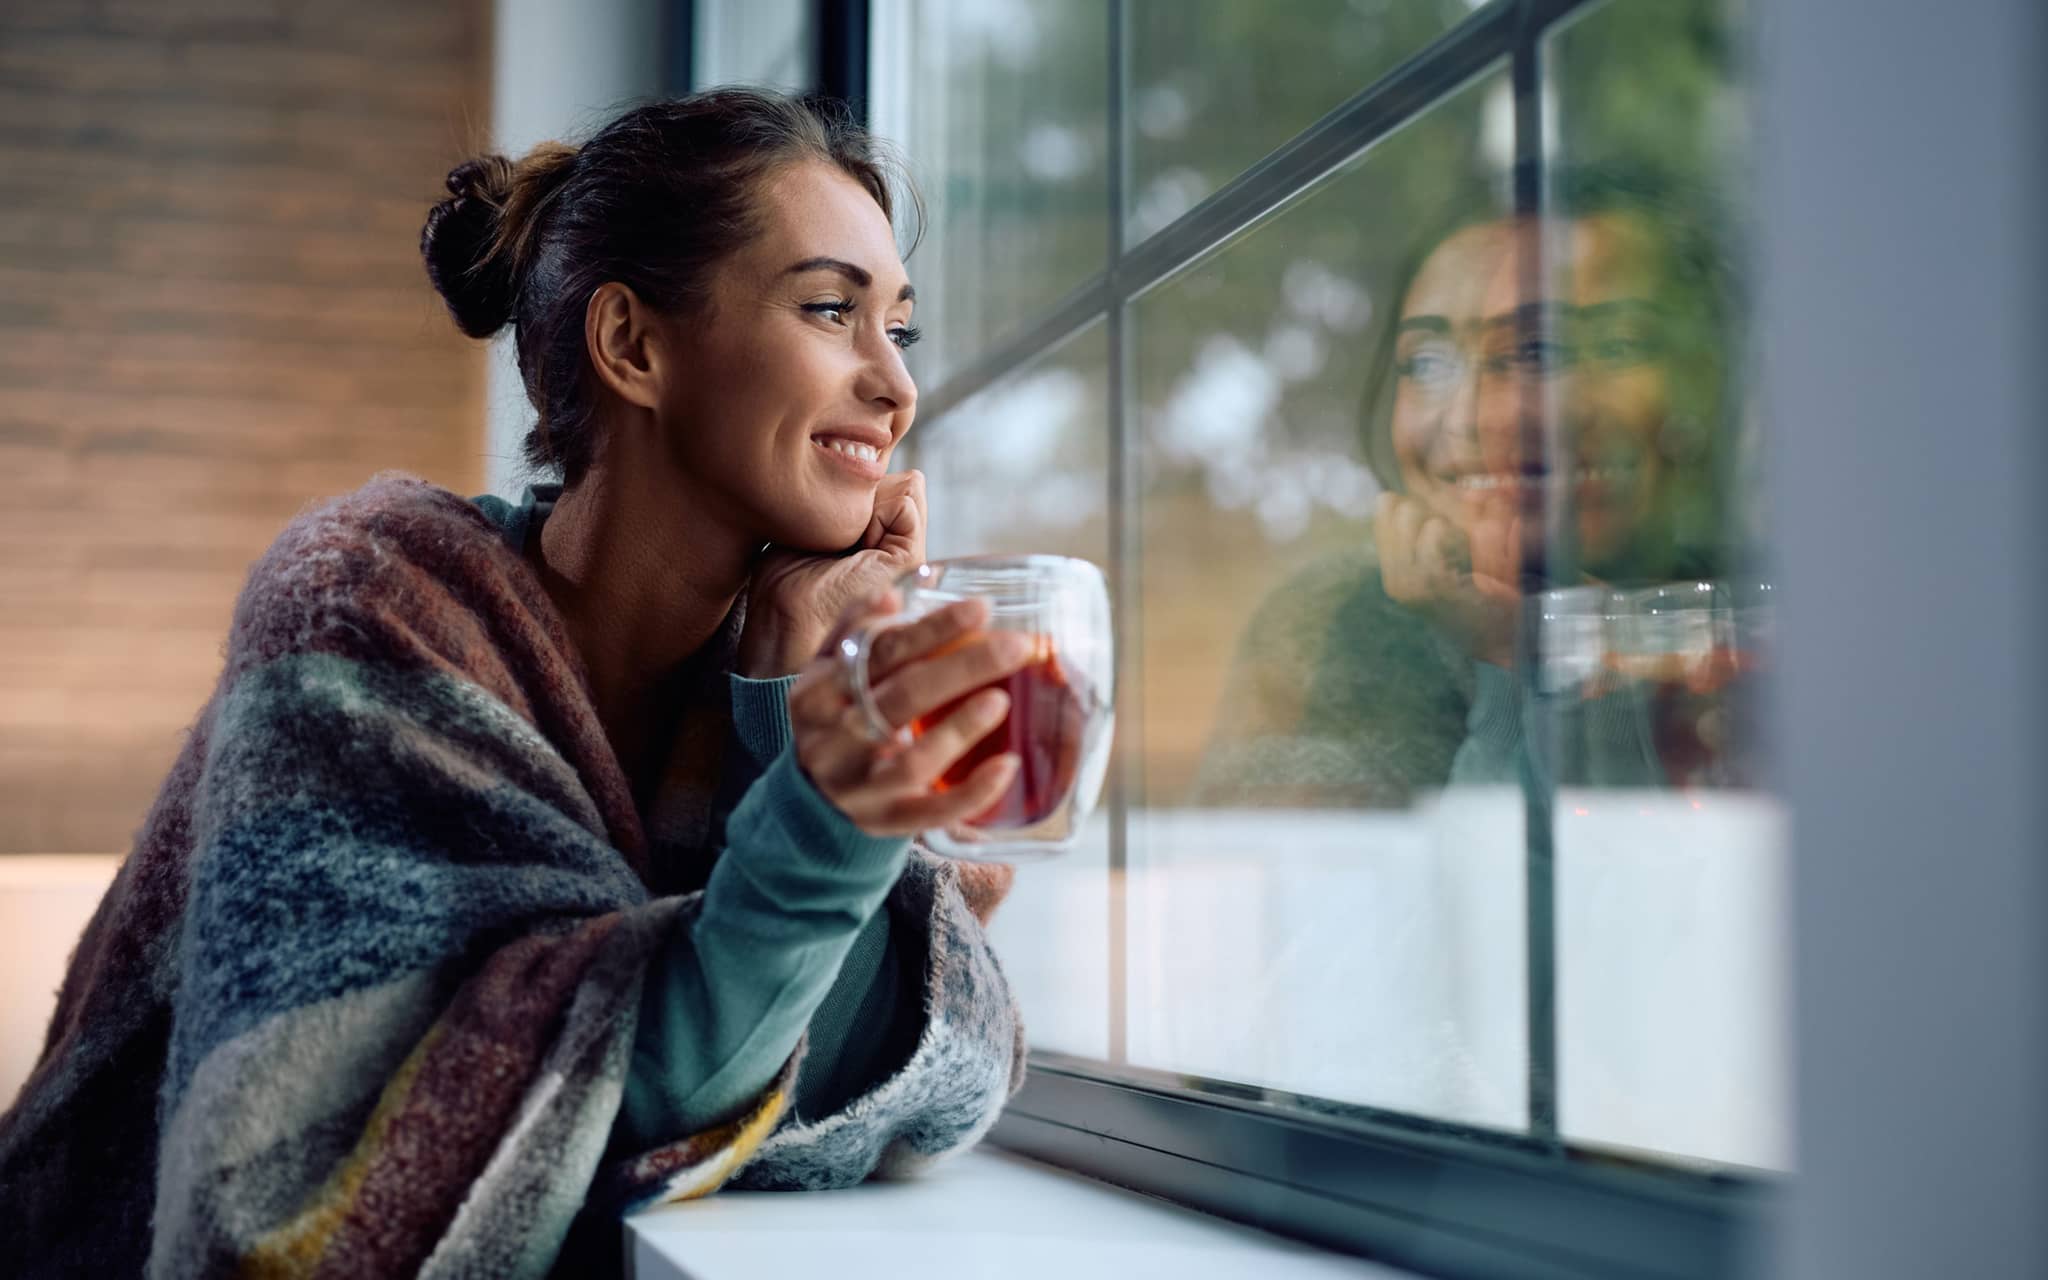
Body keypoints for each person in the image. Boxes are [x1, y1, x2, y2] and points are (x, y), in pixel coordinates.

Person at [0, 89, 1031, 1278]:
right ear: (633, 345)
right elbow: (606, 1086)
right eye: (828, 309)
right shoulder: (369, 605)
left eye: (897, 327)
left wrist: (784, 675)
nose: (892, 385)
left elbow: (893, 1071)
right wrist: (818, 815)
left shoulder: (779, 654)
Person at [1193, 166, 1749, 808]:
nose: (1467, 419)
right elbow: (1328, 891)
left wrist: (1561, 654)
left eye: (1543, 352)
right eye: (1426, 363)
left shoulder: (1765, 621)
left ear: (1702, 385)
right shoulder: (1346, 624)